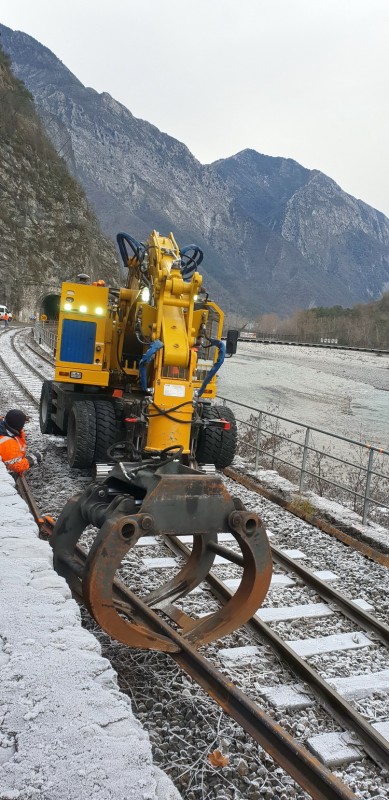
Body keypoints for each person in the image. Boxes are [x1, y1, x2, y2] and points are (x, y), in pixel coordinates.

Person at [0, 410, 42, 476]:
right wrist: (33, 458)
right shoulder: (8, 443)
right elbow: (14, 467)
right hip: (3, 474)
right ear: (18, 426)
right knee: (12, 473)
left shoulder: (3, 426)